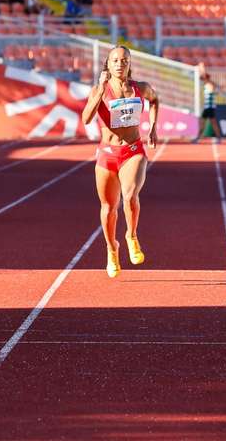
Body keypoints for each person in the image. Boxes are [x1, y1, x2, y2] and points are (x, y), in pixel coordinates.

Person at [81, 46, 160, 278]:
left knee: (130, 195)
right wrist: (98, 91)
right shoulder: (100, 90)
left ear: (129, 63)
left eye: (124, 60)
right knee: (108, 208)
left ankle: (131, 236)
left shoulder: (140, 88)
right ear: (108, 63)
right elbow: (86, 118)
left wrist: (153, 127)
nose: (119, 64)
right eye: (115, 60)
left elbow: (155, 100)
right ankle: (111, 248)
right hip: (107, 152)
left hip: (133, 150)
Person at [193, 74, 222, 143]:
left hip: (210, 107)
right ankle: (198, 138)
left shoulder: (209, 85)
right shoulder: (207, 85)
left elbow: (215, 88)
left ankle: (218, 138)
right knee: (203, 122)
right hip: (207, 107)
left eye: (203, 79)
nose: (202, 80)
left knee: (212, 123)